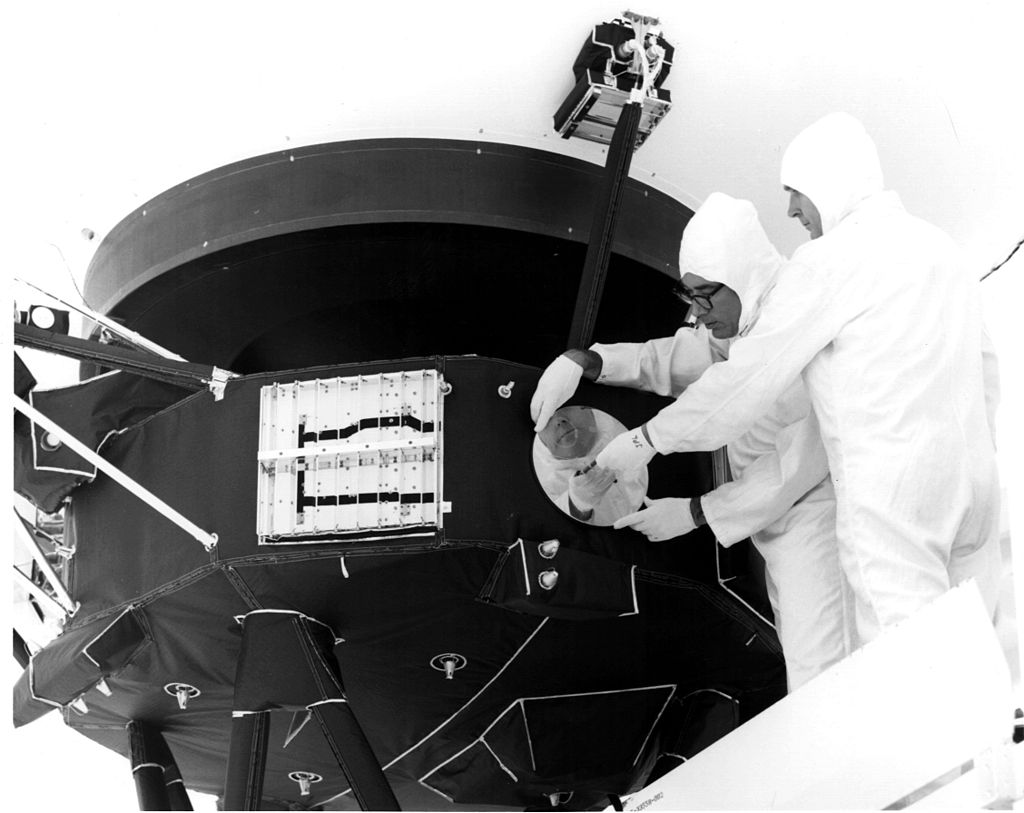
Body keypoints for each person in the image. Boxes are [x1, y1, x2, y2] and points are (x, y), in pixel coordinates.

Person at [592, 112, 1001, 645]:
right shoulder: (940, 248)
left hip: (890, 488)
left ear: (830, 183)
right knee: (982, 646)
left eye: (796, 191)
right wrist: (593, 360)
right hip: (973, 483)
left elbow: (745, 383)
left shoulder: (827, 264)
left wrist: (648, 442)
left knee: (895, 653)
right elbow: (987, 375)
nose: (790, 210)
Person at [532, 193, 853, 690]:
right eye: (689, 297)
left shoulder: (799, 329)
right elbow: (691, 357)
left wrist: (696, 511)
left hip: (812, 511)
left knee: (819, 672)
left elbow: (800, 466)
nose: (698, 313)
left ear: (742, 275)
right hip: (766, 507)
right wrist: (590, 361)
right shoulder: (746, 313)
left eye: (706, 296)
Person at [534, 405, 647, 525]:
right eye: (545, 418)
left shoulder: (637, 430)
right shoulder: (543, 491)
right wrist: (576, 506)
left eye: (565, 407)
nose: (559, 421)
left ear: (589, 410)